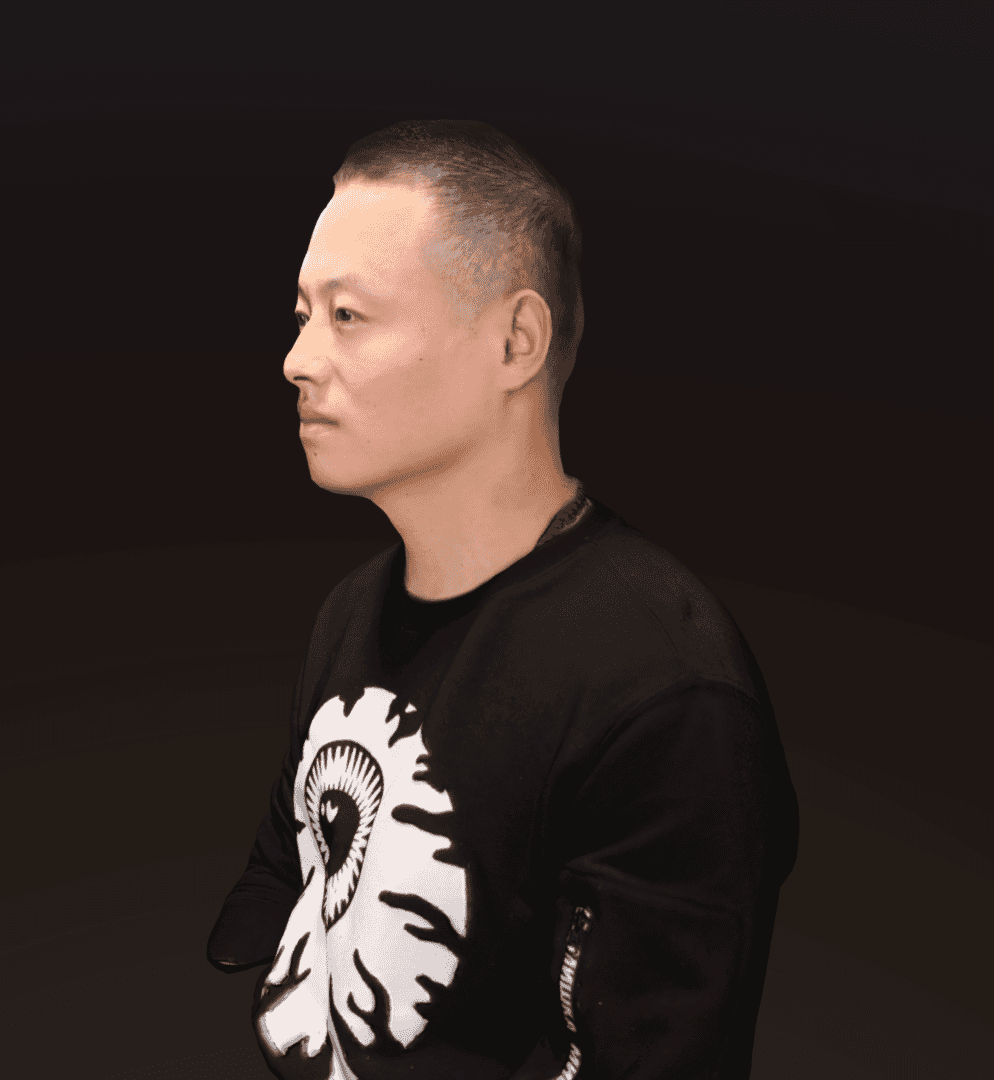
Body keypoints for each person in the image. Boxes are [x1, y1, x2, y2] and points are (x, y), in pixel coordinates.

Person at [207, 118, 798, 1079]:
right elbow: (292, 847)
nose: (298, 360)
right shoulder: (350, 611)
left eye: (347, 316)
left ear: (516, 342)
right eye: (302, 315)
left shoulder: (661, 687)